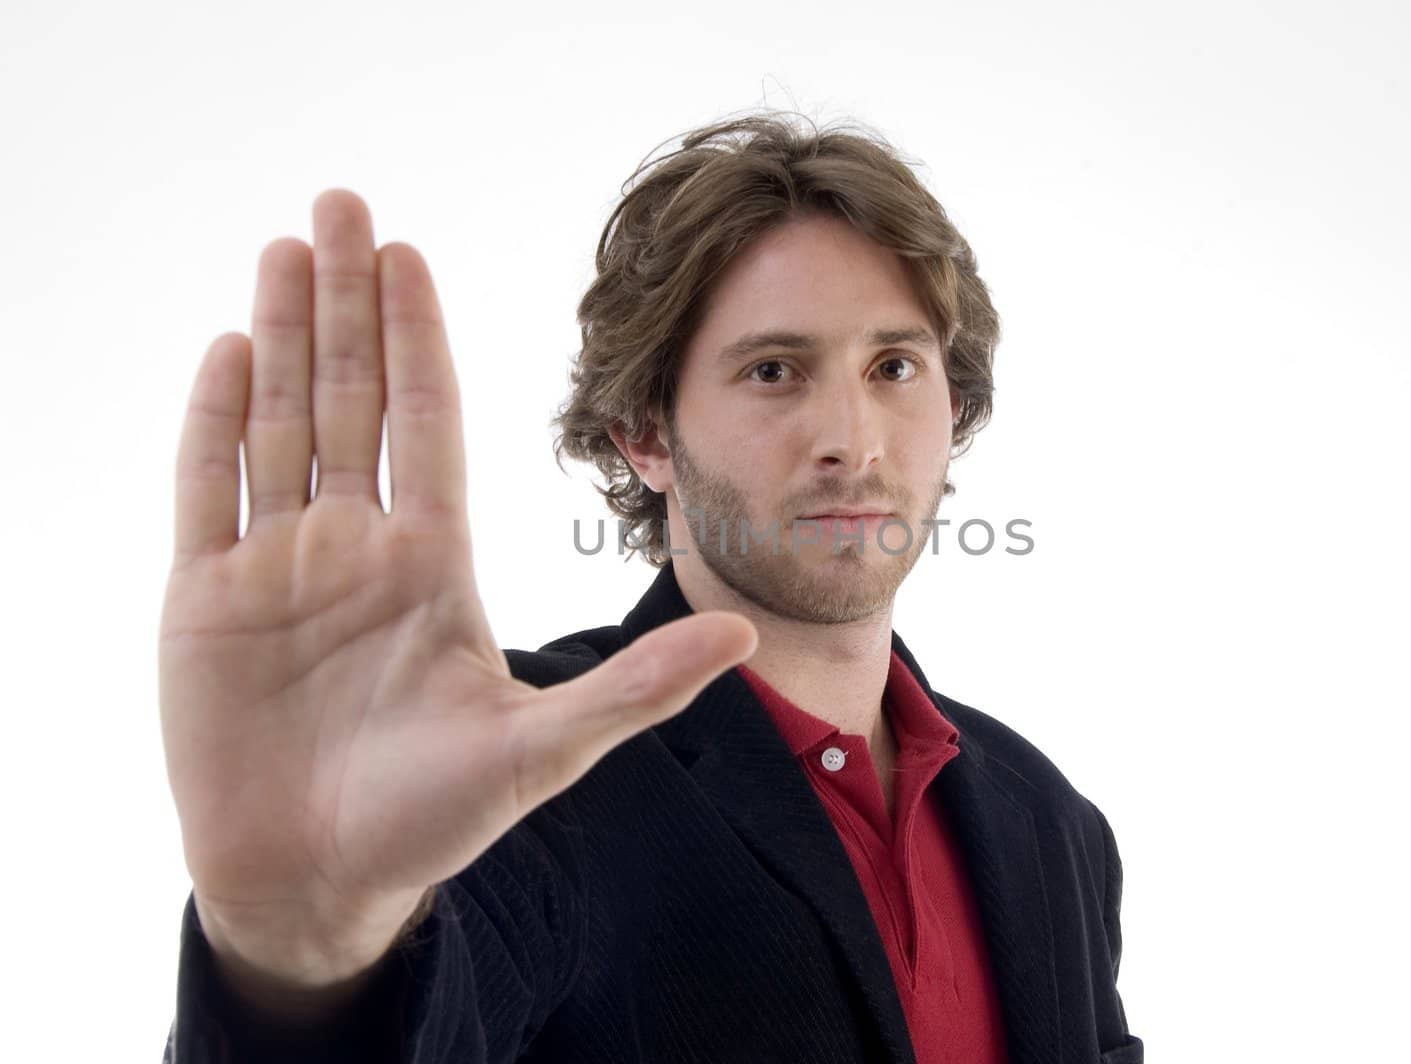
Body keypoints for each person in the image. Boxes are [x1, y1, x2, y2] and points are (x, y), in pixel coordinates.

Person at [159, 111, 1143, 1064]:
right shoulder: (518, 765)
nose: (853, 435)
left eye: (894, 365)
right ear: (645, 432)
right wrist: (299, 960)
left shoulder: (1051, 820)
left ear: (955, 406)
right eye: (772, 369)